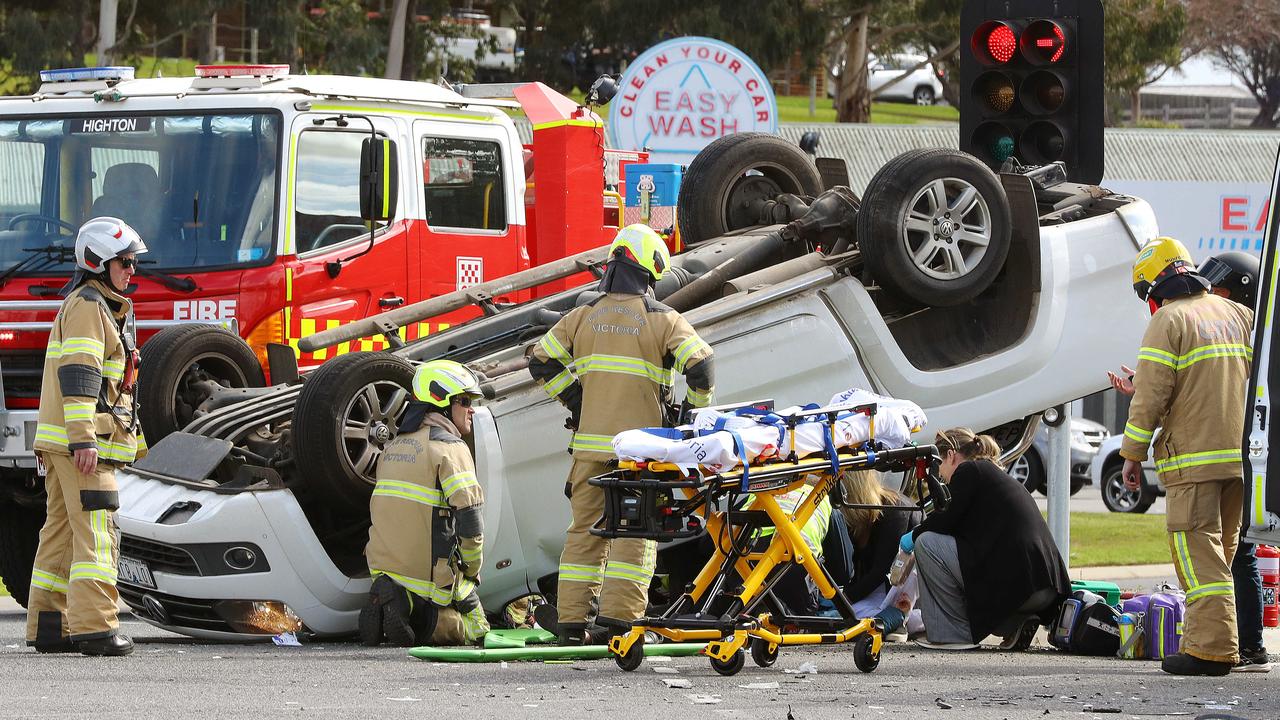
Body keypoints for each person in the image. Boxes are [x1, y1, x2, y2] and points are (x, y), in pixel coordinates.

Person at [527, 224, 715, 644]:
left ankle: (572, 624)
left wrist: (576, 399)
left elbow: (541, 362)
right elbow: (702, 367)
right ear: (651, 270)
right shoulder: (662, 319)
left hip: (589, 450)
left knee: (584, 533)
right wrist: (691, 414)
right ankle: (620, 623)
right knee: (636, 533)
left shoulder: (582, 315)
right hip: (640, 453)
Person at [1120, 237, 1254, 676]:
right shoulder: (1235, 313)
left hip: (1193, 461)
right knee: (1222, 557)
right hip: (1240, 460)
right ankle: (1212, 642)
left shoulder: (1169, 320)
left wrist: (1132, 454)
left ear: (1154, 285)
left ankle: (1211, 651)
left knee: (1198, 558)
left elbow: (1151, 396)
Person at [26, 217, 147, 657]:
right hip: (79, 445)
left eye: (133, 263)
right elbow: (80, 376)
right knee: (98, 532)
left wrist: (136, 443)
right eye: (126, 263)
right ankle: (96, 628)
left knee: (60, 533)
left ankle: (51, 626)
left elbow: (115, 390)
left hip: (65, 442)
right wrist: (84, 440)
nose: (133, 271)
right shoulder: (89, 307)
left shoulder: (95, 305)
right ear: (98, 262)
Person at [902, 428, 1070, 651]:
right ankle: (1016, 624)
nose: (941, 476)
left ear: (951, 455)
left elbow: (945, 521)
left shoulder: (969, 470)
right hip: (1043, 587)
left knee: (926, 543)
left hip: (1022, 584)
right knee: (988, 608)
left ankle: (950, 634)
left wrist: (913, 535)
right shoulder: (990, 475)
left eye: (940, 466)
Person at [359, 360, 489, 647]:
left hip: (382, 566)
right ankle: (416, 615)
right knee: (477, 627)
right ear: (441, 403)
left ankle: (391, 602)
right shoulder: (451, 449)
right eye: (465, 401)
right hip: (426, 576)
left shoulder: (391, 448)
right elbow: (470, 521)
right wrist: (472, 567)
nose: (472, 409)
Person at [838, 469, 921, 636]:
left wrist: (843, 599)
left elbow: (883, 568)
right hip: (882, 586)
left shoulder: (894, 510)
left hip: (902, 580)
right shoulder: (857, 518)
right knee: (852, 615)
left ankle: (901, 617)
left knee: (855, 616)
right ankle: (898, 618)